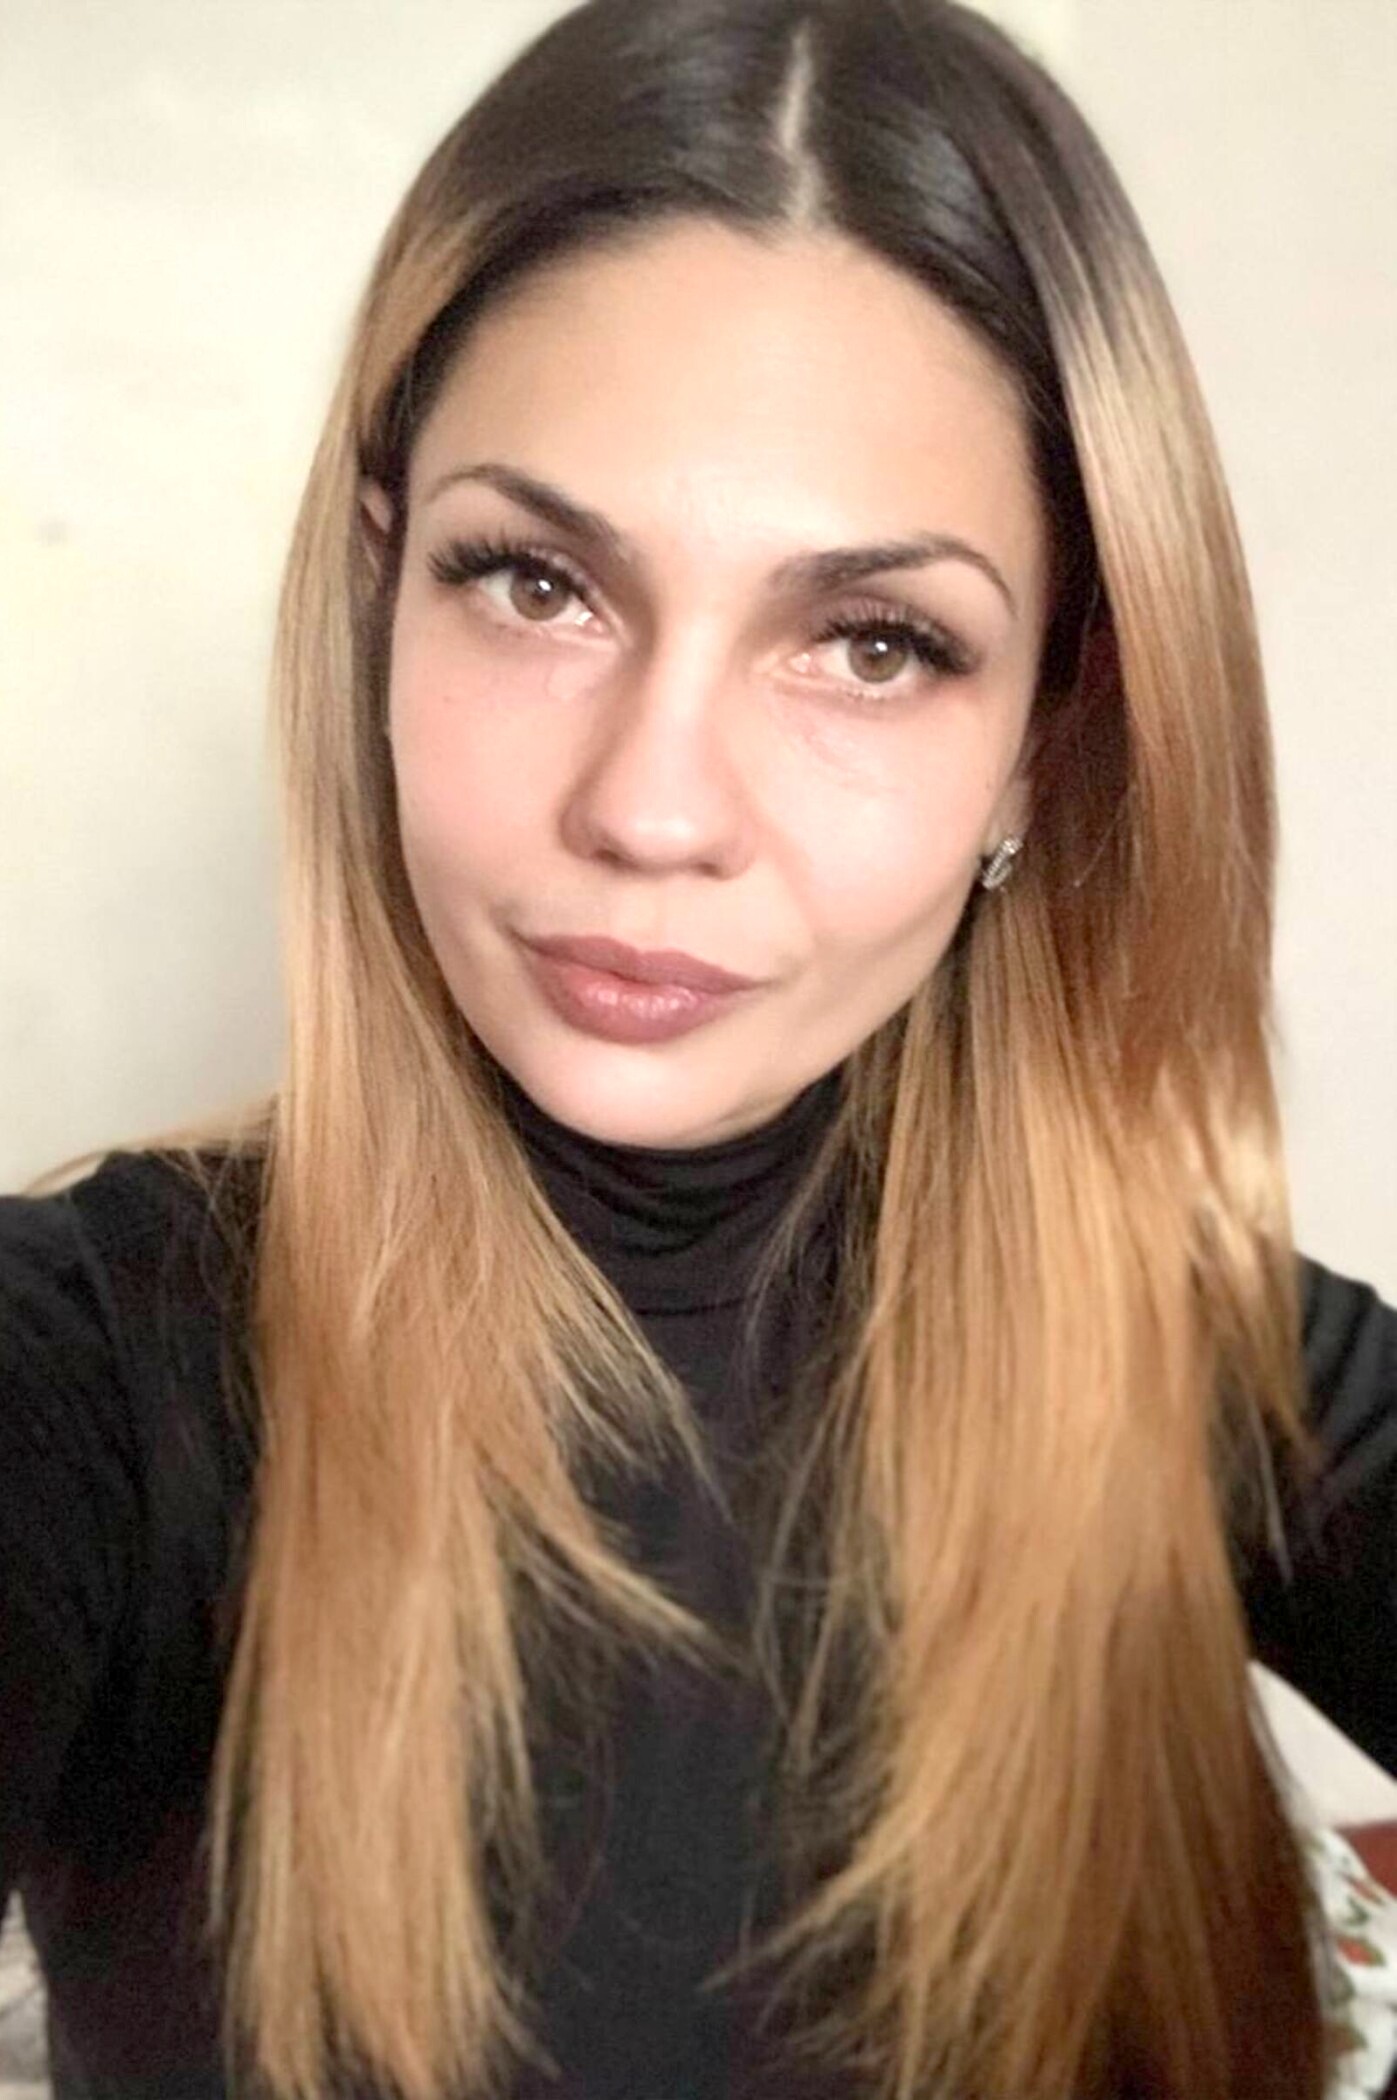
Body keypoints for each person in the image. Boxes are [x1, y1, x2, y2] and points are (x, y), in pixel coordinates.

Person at [1, 0, 1393, 2095]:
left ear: (1049, 733)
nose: (653, 810)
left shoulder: (1198, 1355)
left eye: (873, 643)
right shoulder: (97, 1383)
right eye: (535, 583)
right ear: (382, 595)